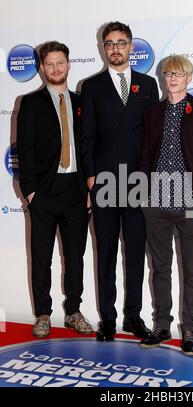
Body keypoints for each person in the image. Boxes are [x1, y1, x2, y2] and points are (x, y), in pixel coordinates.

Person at [80, 21, 159, 341]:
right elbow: (87, 136)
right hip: (104, 180)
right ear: (103, 48)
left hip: (139, 180)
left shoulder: (148, 84)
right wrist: (90, 176)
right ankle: (108, 319)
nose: (115, 48)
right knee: (106, 253)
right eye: (109, 43)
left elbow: (154, 136)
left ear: (131, 47)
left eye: (121, 43)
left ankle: (134, 317)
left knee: (136, 252)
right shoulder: (92, 85)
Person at [139, 55, 193, 355]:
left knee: (192, 268)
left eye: (178, 73)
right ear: (163, 78)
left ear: (189, 77)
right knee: (160, 267)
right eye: (167, 73)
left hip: (191, 200)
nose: (172, 78)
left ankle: (189, 330)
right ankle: (161, 326)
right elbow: (145, 156)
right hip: (156, 201)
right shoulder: (152, 113)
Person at [17, 41, 93, 338]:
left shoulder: (82, 102)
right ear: (41, 68)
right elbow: (24, 149)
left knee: (75, 257)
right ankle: (43, 314)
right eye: (49, 64)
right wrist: (31, 192)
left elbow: (88, 148)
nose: (56, 68)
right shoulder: (30, 103)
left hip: (76, 190)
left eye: (60, 62)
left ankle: (73, 311)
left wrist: (89, 188)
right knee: (41, 258)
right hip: (44, 192)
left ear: (69, 64)